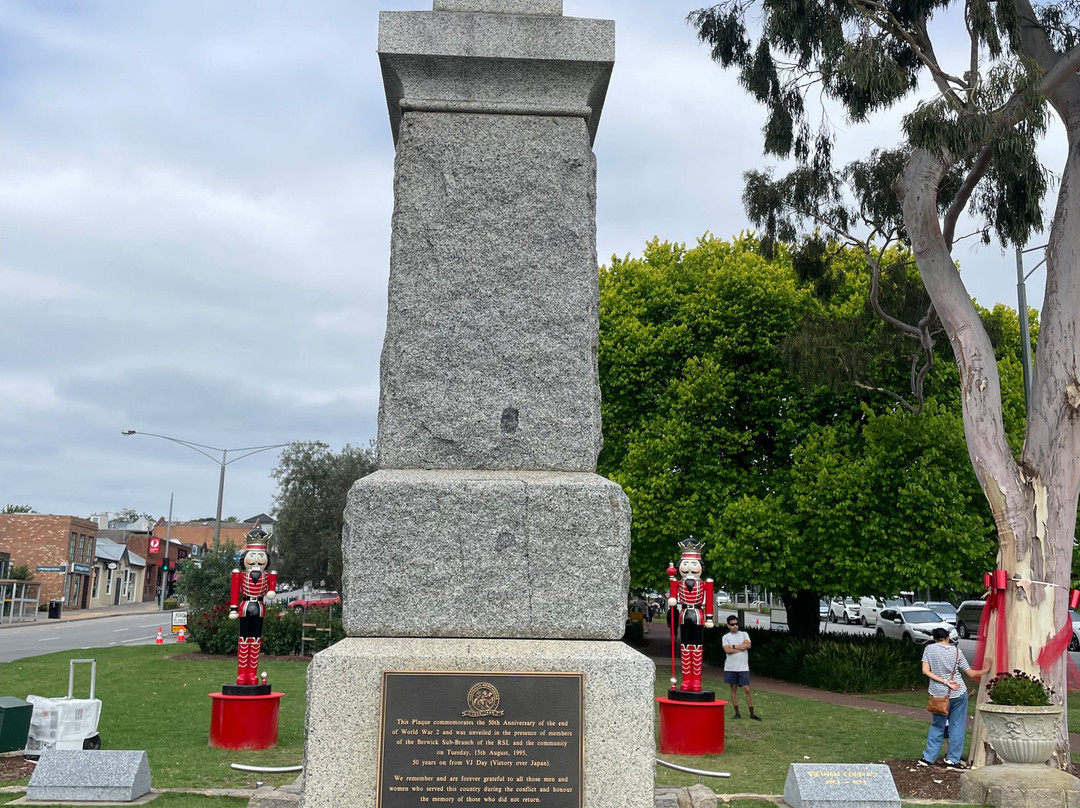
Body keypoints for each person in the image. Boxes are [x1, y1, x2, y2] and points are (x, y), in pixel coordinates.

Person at [919, 627, 987, 768]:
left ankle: (928, 757)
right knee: (957, 726)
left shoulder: (929, 650)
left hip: (938, 694)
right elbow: (971, 674)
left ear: (934, 638)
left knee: (937, 725)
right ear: (948, 637)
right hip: (958, 693)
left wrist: (943, 681)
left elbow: (925, 671)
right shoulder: (957, 652)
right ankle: (952, 759)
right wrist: (986, 669)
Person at [722, 615, 760, 720]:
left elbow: (748, 645)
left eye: (736, 624)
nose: (735, 626)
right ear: (728, 625)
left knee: (747, 689)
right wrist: (741, 647)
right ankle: (737, 713)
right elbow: (727, 650)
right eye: (732, 624)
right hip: (731, 667)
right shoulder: (725, 637)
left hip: (743, 667)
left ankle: (752, 713)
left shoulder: (744, 634)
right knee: (733, 689)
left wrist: (734, 646)